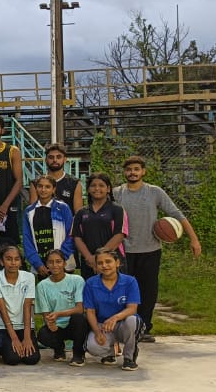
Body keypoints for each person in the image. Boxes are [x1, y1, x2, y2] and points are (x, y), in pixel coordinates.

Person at [114, 155, 202, 342]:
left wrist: (194, 239)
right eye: (129, 169)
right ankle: (124, 328)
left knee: (148, 291)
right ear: (124, 172)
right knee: (124, 291)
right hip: (124, 251)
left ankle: (144, 328)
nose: (132, 172)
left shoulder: (155, 192)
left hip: (150, 250)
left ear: (143, 171)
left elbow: (176, 214)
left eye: (136, 169)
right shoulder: (117, 193)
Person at [82, 249, 142, 370]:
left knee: (132, 320)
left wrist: (115, 318)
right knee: (92, 346)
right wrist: (97, 332)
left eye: (108, 261)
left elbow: (132, 309)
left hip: (123, 323)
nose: (104, 265)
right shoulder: (91, 283)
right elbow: (90, 311)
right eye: (100, 263)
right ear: (96, 266)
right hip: (103, 325)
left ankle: (129, 356)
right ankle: (109, 353)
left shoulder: (129, 281)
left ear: (117, 263)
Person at [0, 245, 41, 366]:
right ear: (1, 261)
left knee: (32, 359)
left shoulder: (29, 277)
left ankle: (21, 342)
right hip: (4, 326)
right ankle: (4, 348)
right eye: (9, 259)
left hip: (24, 325)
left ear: (21, 262)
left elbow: (27, 306)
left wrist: (27, 337)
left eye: (17, 259)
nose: (13, 263)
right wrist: (14, 338)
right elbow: (2, 309)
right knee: (13, 359)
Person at [70, 173, 128, 278]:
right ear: (88, 189)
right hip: (89, 263)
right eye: (93, 185)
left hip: (112, 261)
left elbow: (119, 235)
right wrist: (90, 258)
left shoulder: (117, 209)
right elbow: (77, 237)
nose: (97, 188)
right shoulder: (81, 212)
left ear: (108, 189)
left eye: (101, 185)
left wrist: (100, 258)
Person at [35, 250, 87, 364]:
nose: (55, 265)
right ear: (47, 265)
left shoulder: (77, 280)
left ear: (64, 263)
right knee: (43, 335)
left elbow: (80, 308)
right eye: (51, 262)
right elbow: (46, 313)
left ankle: (78, 353)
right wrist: (50, 324)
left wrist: (59, 313)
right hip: (56, 325)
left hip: (74, 324)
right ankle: (59, 348)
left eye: (58, 261)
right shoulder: (42, 286)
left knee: (79, 318)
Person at [23, 176, 77, 277]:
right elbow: (27, 239)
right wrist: (37, 263)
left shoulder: (63, 208)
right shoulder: (29, 211)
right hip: (41, 265)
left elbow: (71, 234)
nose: (43, 190)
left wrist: (60, 259)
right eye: (40, 186)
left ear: (54, 189)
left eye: (47, 187)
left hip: (63, 263)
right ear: (36, 188)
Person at [45, 143, 83, 212]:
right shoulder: (36, 183)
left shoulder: (75, 183)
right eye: (51, 157)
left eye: (59, 157)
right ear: (46, 160)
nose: (55, 160)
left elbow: (78, 214)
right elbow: (32, 214)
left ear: (65, 159)